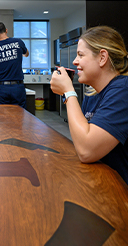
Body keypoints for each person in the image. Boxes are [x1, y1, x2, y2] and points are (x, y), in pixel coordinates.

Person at [50, 25, 128, 184]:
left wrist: (68, 92)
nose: (74, 61)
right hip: (101, 184)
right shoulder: (92, 94)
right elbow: (80, 142)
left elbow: (86, 151)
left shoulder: (123, 90)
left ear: (102, 58)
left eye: (80, 55)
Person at [0, 22, 29, 108]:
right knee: (20, 115)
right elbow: (27, 54)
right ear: (6, 30)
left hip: (2, 87)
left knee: (3, 116)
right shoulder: (18, 42)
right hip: (18, 87)